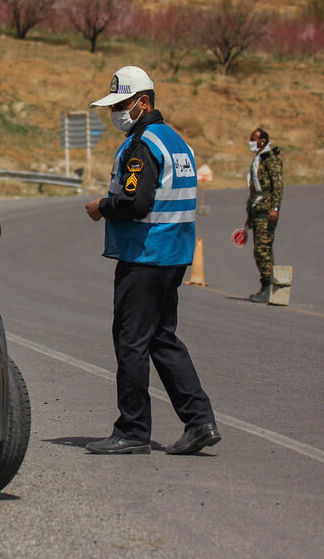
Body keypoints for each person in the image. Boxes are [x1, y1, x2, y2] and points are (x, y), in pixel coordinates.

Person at [83, 65, 220, 456]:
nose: (116, 113)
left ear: (143, 102)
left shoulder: (143, 144)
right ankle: (199, 420)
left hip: (145, 256)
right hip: (173, 256)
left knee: (131, 342)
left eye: (121, 105)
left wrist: (101, 206)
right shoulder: (177, 143)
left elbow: (135, 202)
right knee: (161, 338)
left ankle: (132, 430)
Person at [245, 128, 284, 303]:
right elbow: (254, 188)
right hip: (257, 209)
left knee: (263, 248)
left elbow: (278, 185)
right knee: (259, 249)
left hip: (266, 210)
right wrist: (250, 213)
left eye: (253, 139)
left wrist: (275, 208)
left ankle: (269, 286)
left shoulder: (271, 159)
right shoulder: (259, 159)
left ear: (262, 141)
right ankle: (265, 285)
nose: (251, 143)